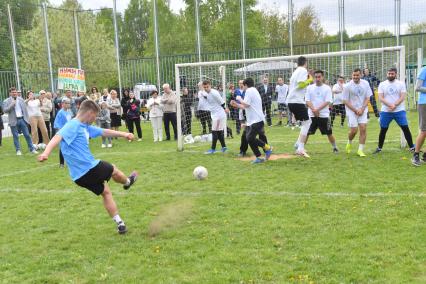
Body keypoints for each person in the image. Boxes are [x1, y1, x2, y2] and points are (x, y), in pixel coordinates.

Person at [38, 100, 138, 234]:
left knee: (106, 192)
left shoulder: (84, 126)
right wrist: (46, 153)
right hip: (91, 168)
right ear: (90, 113)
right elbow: (57, 137)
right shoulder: (73, 125)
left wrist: (124, 134)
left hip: (79, 177)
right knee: (113, 169)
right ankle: (127, 182)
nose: (95, 119)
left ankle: (120, 223)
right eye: (95, 116)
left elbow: (104, 131)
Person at [230, 78, 273, 163]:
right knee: (249, 138)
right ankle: (260, 156)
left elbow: (246, 104)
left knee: (250, 138)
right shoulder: (254, 90)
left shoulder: (249, 91)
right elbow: (246, 106)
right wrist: (236, 104)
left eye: (243, 85)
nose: (243, 87)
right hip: (254, 120)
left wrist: (239, 99)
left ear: (246, 85)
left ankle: (267, 148)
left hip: (256, 120)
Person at [373, 68, 414, 154]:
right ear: (387, 74)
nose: (390, 75)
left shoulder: (401, 84)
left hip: (399, 110)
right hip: (385, 111)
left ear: (396, 74)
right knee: (383, 129)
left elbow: (402, 97)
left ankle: (412, 147)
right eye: (389, 73)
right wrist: (389, 105)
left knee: (405, 128)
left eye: (392, 74)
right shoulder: (382, 84)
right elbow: (380, 98)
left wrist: (394, 105)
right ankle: (379, 148)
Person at [305, 70, 338, 153]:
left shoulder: (327, 88)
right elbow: (307, 100)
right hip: (311, 115)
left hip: (323, 115)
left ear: (322, 77)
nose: (317, 79)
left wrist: (317, 110)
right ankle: (301, 148)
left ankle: (335, 147)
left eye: (319, 77)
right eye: (316, 77)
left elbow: (327, 101)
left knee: (329, 133)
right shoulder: (309, 87)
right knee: (306, 132)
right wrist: (314, 110)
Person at [286, 56, 313, 157]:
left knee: (306, 122)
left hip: (291, 101)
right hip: (296, 100)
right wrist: (309, 80)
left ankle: (298, 144)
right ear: (305, 62)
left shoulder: (296, 71)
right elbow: (301, 84)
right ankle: (300, 148)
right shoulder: (303, 70)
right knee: (307, 122)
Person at [343, 68, 373, 157]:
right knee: (354, 130)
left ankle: (360, 150)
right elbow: (345, 101)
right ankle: (349, 141)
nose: (355, 77)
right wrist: (355, 110)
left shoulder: (366, 83)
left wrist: (362, 109)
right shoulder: (347, 86)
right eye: (354, 75)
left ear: (360, 75)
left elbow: (368, 97)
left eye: (357, 75)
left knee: (363, 128)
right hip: (351, 110)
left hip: (363, 109)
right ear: (351, 75)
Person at [2, 87, 38, 155]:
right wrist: (12, 104)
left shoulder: (21, 99)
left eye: (15, 92)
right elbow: (5, 110)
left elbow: (25, 110)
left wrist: (26, 120)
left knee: (27, 135)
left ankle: (32, 149)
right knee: (15, 136)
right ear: (10, 93)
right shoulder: (6, 101)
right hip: (13, 121)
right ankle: (18, 150)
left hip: (22, 119)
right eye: (13, 92)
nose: (14, 93)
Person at [202, 80, 228, 154]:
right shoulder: (207, 93)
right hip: (215, 115)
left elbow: (221, 101)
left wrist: (225, 108)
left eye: (207, 87)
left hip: (219, 115)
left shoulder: (214, 93)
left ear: (210, 85)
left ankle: (212, 149)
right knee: (219, 132)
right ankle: (224, 147)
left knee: (214, 131)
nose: (206, 88)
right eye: (205, 87)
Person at [412, 65, 426, 166]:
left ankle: (425, 156)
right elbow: (417, 87)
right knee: (424, 131)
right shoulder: (424, 70)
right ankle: (415, 156)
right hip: (424, 103)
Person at [54, 98, 73, 167]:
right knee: (63, 147)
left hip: (69, 131)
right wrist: (60, 132)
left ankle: (70, 162)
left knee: (70, 146)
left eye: (69, 103)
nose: (68, 104)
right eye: (67, 103)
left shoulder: (69, 112)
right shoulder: (60, 112)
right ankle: (61, 163)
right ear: (63, 104)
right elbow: (56, 123)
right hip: (63, 132)